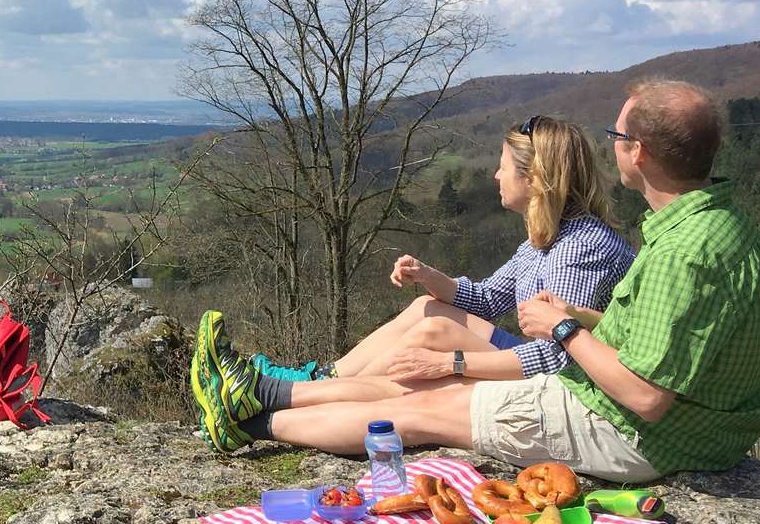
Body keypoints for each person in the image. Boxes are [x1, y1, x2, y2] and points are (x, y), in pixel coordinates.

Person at [193, 80, 760, 483]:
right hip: (666, 419)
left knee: (420, 407)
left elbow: (646, 396)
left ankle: (252, 418)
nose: (612, 148)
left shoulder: (675, 251)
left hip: (646, 434)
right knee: (429, 359)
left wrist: (561, 328)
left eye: (618, 138)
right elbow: (650, 342)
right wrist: (573, 322)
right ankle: (267, 397)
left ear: (641, 152)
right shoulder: (709, 227)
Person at [232, 116, 635, 416]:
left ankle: (294, 397)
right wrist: (427, 276)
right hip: (544, 360)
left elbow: (559, 358)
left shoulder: (579, 249)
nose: (495, 174)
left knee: (434, 334)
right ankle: (320, 380)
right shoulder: (548, 238)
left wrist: (451, 363)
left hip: (564, 383)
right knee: (427, 308)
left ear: (534, 179)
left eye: (504, 166)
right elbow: (487, 299)